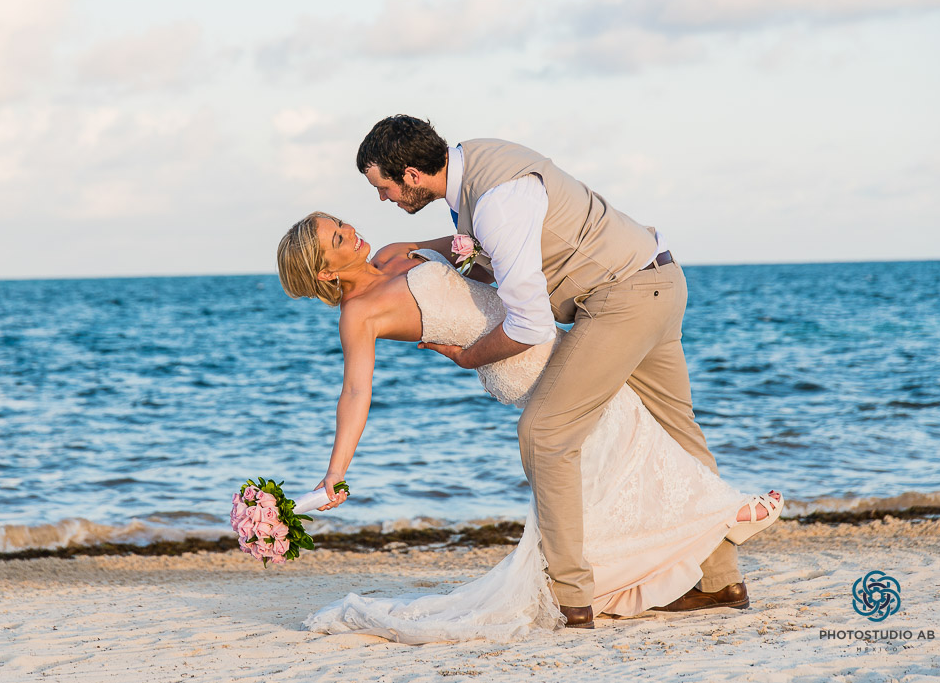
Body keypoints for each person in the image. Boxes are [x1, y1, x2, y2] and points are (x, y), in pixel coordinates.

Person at [276, 212, 782, 641]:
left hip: (540, 334)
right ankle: (726, 510)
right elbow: (355, 393)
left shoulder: (393, 252)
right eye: (337, 237)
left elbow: (477, 250)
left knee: (621, 437)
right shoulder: (359, 314)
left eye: (341, 223)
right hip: (515, 365)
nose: (351, 230)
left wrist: (488, 255)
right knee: (623, 425)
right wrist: (335, 473)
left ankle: (694, 535)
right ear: (325, 272)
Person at [352, 115, 754, 630]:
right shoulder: (474, 162)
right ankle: (721, 581)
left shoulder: (495, 199)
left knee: (544, 433)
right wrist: (429, 252)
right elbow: (498, 258)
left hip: (621, 297)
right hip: (658, 278)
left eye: (383, 187)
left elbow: (531, 324)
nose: (382, 198)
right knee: (676, 433)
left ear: (410, 174)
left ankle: (572, 598)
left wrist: (469, 356)